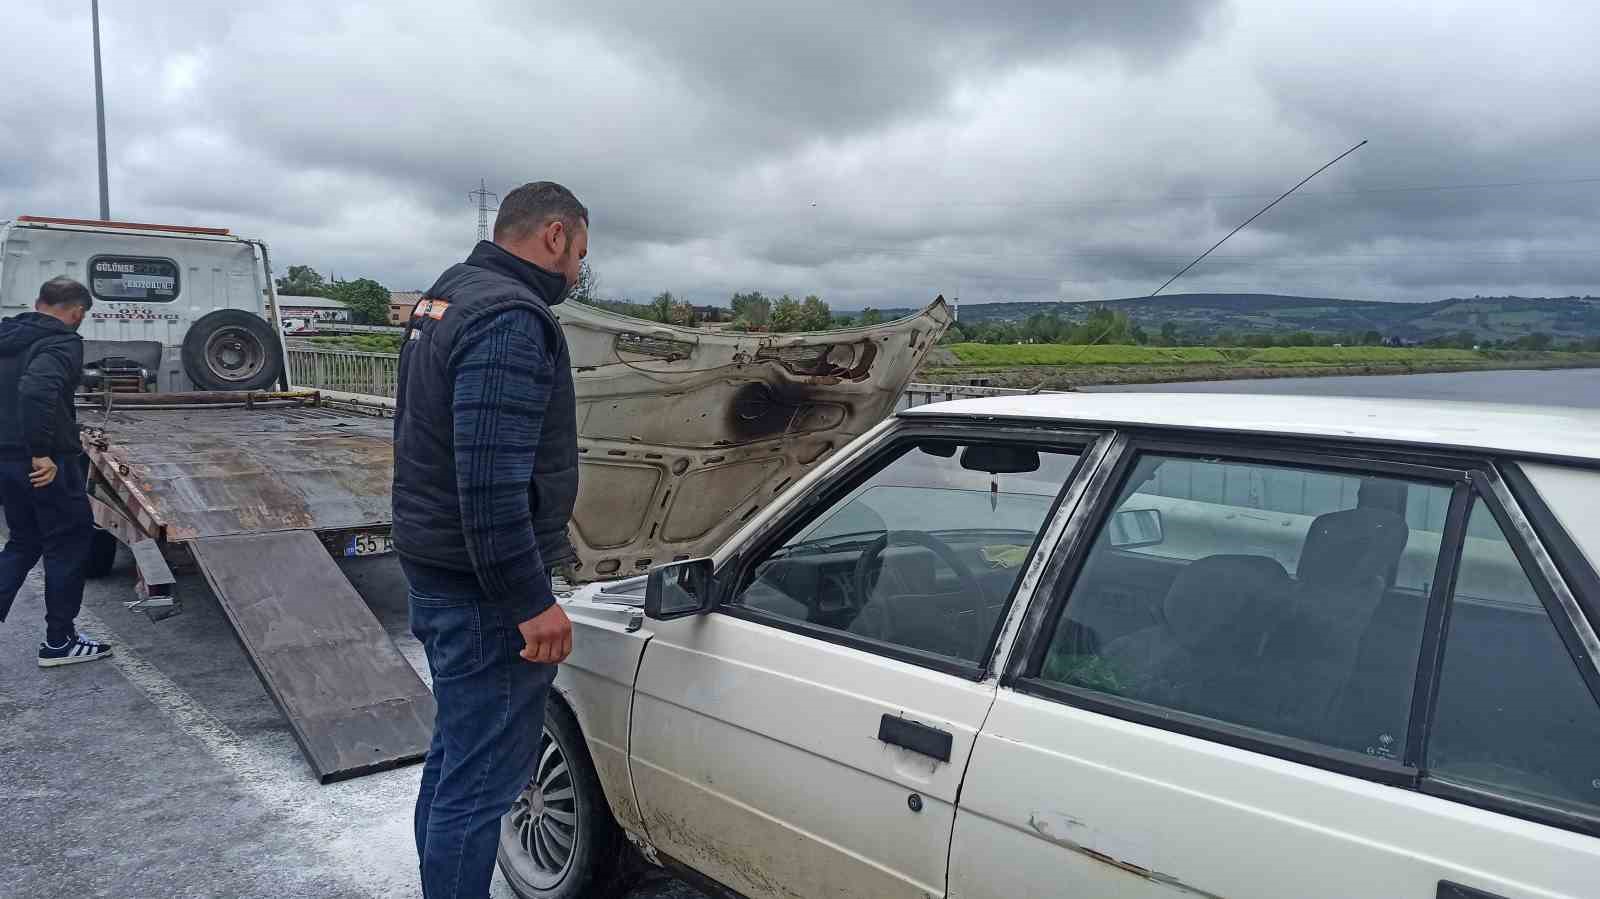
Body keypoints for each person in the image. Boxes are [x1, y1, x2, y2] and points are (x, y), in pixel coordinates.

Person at [392, 181, 587, 898]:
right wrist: (531, 600)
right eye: (579, 257)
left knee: (454, 762)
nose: (575, 275)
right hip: (483, 593)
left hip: (438, 566)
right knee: (479, 788)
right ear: (556, 235)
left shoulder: (448, 293)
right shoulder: (509, 316)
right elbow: (490, 483)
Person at [0, 276, 112, 667]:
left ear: (38, 301)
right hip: (43, 464)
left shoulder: (6, 335)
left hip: (5, 459)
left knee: (24, 541)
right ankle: (60, 642)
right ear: (77, 312)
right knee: (67, 544)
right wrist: (42, 452)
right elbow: (36, 391)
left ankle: (60, 637)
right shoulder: (62, 341)